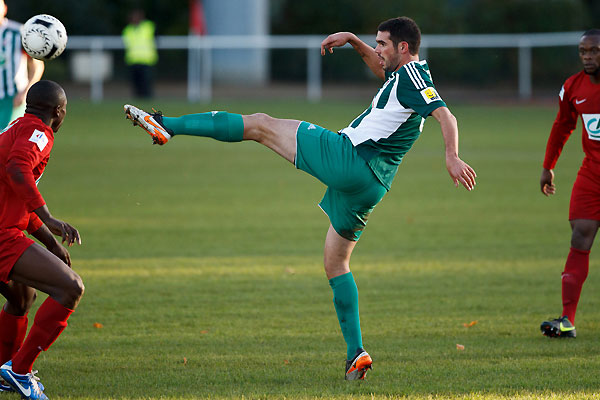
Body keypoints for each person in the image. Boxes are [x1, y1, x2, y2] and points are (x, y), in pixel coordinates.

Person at [124, 16, 476, 380]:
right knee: (336, 264)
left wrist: (451, 155)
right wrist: (354, 41)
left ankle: (168, 125)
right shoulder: (402, 76)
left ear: (404, 48)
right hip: (370, 185)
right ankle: (356, 353)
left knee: (260, 124)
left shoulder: (413, 76)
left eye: (382, 44)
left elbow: (445, 115)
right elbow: (382, 69)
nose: (378, 51)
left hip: (349, 158)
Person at [0, 80, 84, 400]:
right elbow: (18, 168)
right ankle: (19, 371)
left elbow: (14, 193)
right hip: (1, 235)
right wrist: (49, 217)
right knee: (70, 288)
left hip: (6, 228)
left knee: (22, 297)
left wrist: (50, 242)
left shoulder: (16, 127)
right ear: (58, 112)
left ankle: (5, 371)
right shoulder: (39, 133)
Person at [540, 29, 600, 338]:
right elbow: (563, 125)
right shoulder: (573, 87)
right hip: (592, 175)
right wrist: (548, 166)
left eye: (594, 51)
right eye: (584, 52)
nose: (588, 57)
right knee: (580, 236)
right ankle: (567, 319)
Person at [0, 0, 45, 129]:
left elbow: (37, 65)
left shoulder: (19, 33)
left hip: (13, 97)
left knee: (5, 141)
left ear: (5, 9)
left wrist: (26, 91)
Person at [122, 9, 158, 99]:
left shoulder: (148, 26)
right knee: (135, 83)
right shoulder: (128, 29)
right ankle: (137, 101)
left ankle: (147, 99)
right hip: (133, 60)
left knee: (146, 83)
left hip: (146, 59)